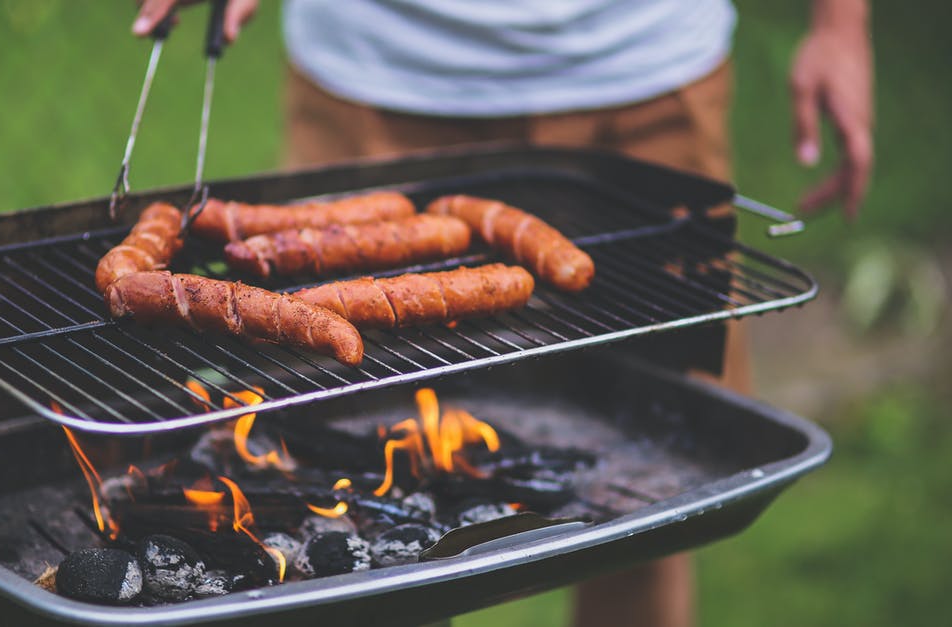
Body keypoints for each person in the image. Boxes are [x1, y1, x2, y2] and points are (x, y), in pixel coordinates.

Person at [132, 1, 875, 626]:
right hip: (377, 71)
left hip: (644, 72)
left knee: (656, 497)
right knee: (332, 495)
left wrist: (841, 26)